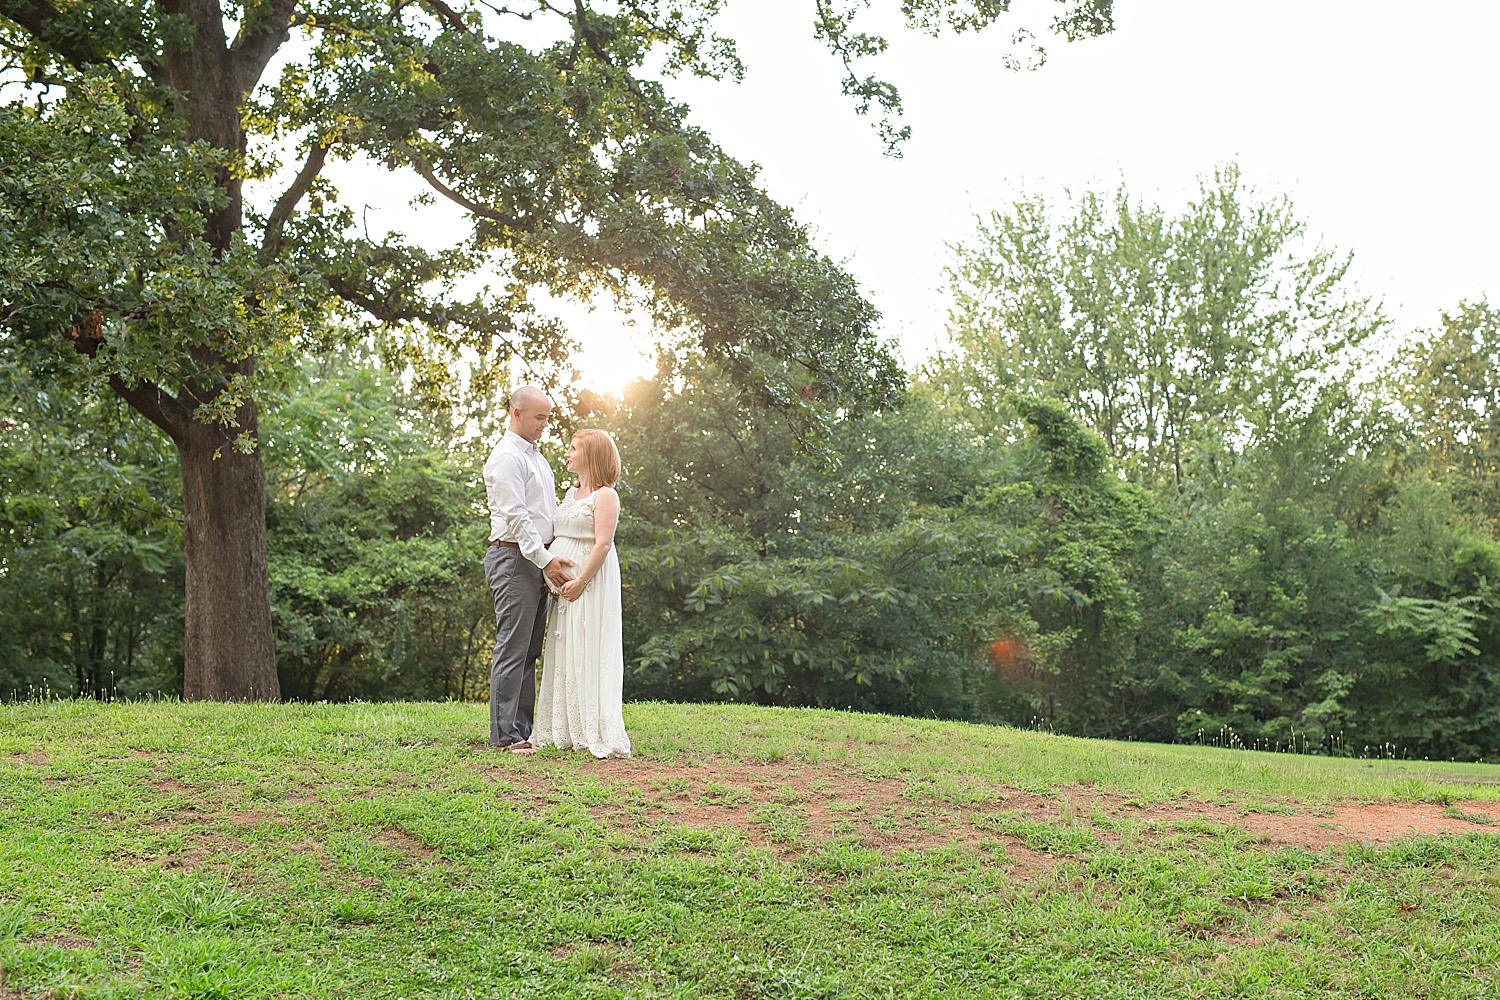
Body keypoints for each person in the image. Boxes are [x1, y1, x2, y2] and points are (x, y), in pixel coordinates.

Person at [527, 429, 632, 759]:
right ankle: (563, 727)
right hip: (564, 589)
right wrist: (551, 573)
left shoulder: (606, 496)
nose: (568, 453)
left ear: (592, 455)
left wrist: (581, 581)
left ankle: (593, 728)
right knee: (566, 649)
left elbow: (602, 543)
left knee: (587, 649)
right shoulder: (571, 492)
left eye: (574, 448)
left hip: (591, 582)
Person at [482, 386, 574, 751]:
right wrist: (545, 559)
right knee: (512, 647)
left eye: (548, 418)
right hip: (513, 559)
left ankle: (521, 732)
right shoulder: (506, 457)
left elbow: (545, 514)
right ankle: (504, 737)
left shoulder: (538, 459)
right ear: (516, 413)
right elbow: (517, 518)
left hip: (537, 560)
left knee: (530, 650)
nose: (544, 425)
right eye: (539, 417)